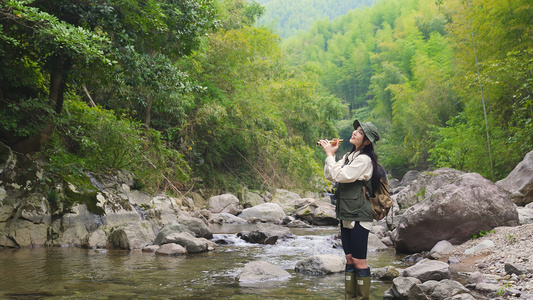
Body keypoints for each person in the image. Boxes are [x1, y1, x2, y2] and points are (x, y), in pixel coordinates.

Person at [318, 119, 382, 300]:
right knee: (349, 259)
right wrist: (331, 155)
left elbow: (341, 175)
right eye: (356, 130)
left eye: (360, 132)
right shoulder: (349, 156)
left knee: (359, 261)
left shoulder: (364, 160)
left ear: (367, 141)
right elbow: (331, 176)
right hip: (346, 213)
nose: (354, 133)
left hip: (360, 215)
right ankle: (349, 297)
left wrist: (329, 155)